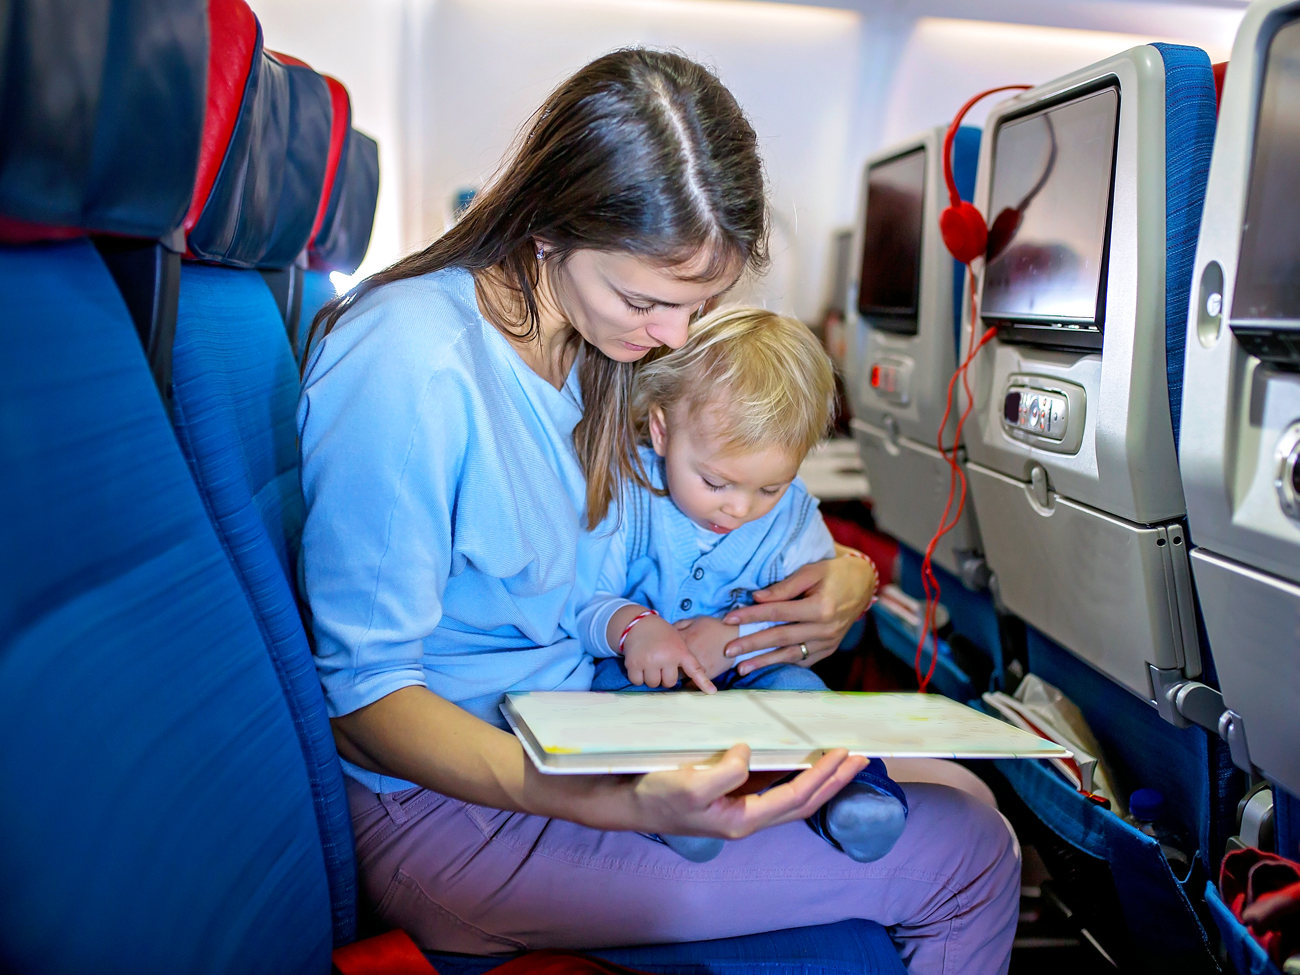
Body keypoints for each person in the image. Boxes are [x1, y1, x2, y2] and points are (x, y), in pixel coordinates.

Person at [298, 48, 1020, 974]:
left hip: (593, 723)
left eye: (701, 303)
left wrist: (847, 578)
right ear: (548, 229)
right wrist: (616, 802)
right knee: (969, 856)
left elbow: (713, 527)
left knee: (964, 788)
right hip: (451, 810)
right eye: (645, 298)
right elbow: (364, 702)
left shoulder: (599, 349)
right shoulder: (408, 364)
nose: (673, 336)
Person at [577, 306, 909, 865]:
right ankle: (678, 811)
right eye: (715, 482)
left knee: (809, 699)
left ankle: (857, 796)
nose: (739, 508)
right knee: (623, 710)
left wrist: (730, 641)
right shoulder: (626, 493)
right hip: (644, 678)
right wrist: (633, 627)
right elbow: (581, 604)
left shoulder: (793, 517)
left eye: (769, 489)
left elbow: (817, 609)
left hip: (753, 675)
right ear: (661, 431)